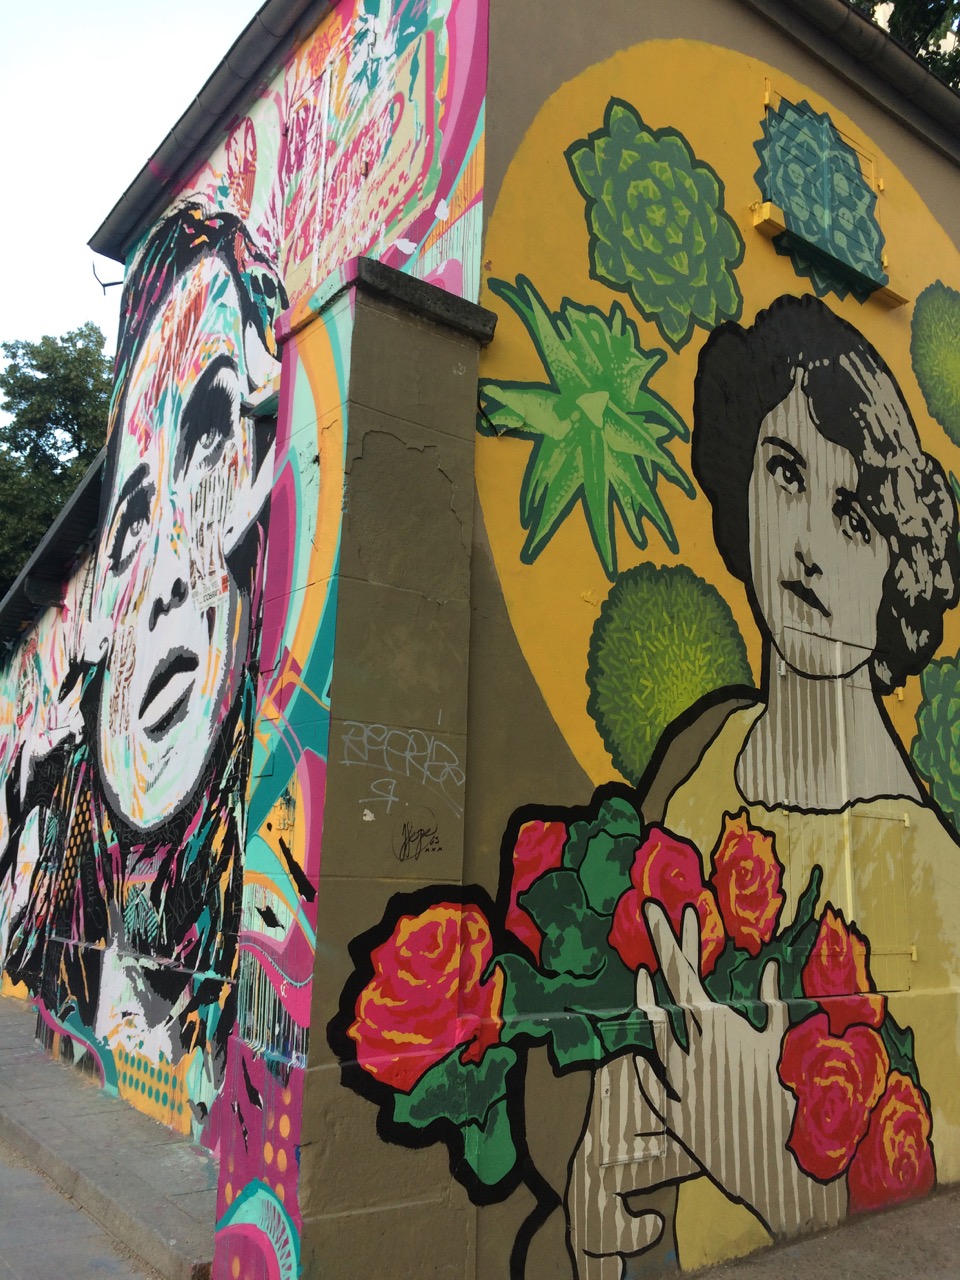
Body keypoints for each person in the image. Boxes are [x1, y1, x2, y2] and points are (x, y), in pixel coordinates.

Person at [566, 293, 960, 1276]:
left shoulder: (931, 871)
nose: (809, 545)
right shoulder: (702, 761)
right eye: (786, 474)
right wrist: (601, 1197)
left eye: (853, 514)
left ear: (896, 565)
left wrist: (775, 1175)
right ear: (743, 488)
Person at [2, 202, 286, 1113]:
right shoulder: (64, 926)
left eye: (210, 441)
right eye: (126, 524)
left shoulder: (274, 920)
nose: (165, 577)